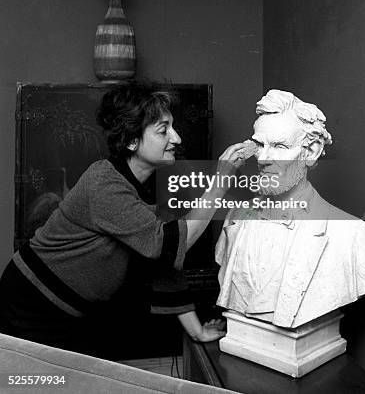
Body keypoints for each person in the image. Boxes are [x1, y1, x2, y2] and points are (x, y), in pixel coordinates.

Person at [0, 82, 245, 357]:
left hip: (72, 314)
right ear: (131, 141)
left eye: (173, 127)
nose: (177, 138)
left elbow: (164, 262)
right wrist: (220, 184)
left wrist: (196, 331)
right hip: (30, 305)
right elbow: (171, 244)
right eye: (163, 130)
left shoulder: (150, 186)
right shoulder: (104, 183)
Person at [216, 89, 365, 328]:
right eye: (259, 144)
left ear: (311, 151)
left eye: (279, 146)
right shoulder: (234, 217)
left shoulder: (356, 238)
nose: (263, 158)